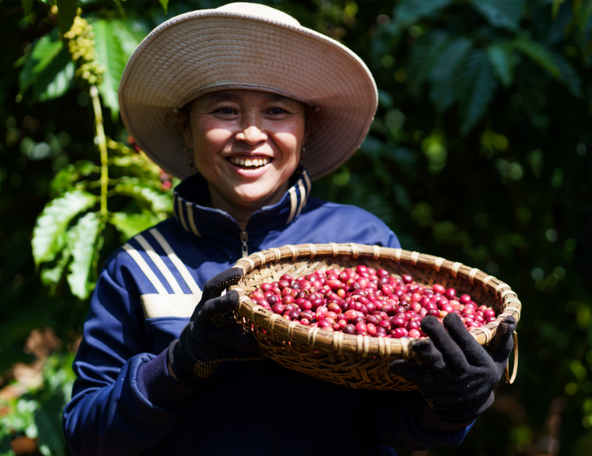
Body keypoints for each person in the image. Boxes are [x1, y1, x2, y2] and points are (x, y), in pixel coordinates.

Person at [62, 3, 516, 455]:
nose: (251, 134)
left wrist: (453, 405)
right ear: (185, 126)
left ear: (307, 128)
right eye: (224, 110)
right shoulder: (140, 266)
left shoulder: (361, 243)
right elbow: (86, 435)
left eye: (277, 111)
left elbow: (392, 423)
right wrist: (177, 366)